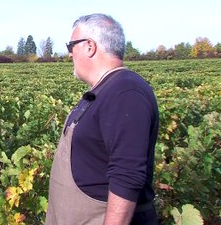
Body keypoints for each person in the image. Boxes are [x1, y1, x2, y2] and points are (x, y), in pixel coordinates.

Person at [45, 13, 159, 225]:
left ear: (90, 46)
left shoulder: (125, 91)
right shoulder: (105, 90)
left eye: (71, 46)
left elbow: (127, 176)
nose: (69, 54)